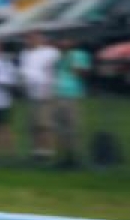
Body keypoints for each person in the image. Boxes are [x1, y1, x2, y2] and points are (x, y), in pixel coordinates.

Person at [19, 32, 60, 159]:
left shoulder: (50, 52)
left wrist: (49, 88)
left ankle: (48, 151)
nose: (30, 40)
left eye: (33, 37)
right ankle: (37, 150)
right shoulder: (24, 53)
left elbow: (51, 70)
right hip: (31, 94)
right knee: (34, 124)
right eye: (28, 38)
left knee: (45, 124)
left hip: (45, 93)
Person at [52, 37, 91, 167]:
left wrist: (73, 66)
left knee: (72, 126)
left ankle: (75, 156)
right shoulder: (59, 56)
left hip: (72, 94)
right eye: (62, 41)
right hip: (58, 93)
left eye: (66, 40)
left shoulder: (79, 55)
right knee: (59, 127)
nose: (63, 43)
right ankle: (63, 155)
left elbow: (82, 72)